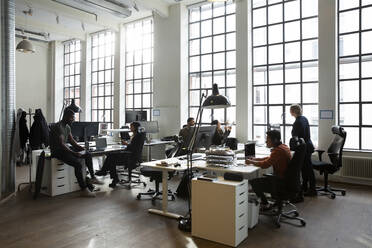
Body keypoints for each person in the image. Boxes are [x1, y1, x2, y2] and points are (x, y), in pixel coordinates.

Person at [49, 108, 103, 197]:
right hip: (57, 151)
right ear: (66, 117)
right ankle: (84, 189)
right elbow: (61, 144)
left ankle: (93, 177)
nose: (73, 120)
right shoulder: (57, 127)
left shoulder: (67, 127)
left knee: (87, 154)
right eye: (72, 118)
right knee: (77, 164)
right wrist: (74, 153)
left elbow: (72, 142)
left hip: (65, 149)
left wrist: (83, 150)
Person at [246, 130, 291, 210]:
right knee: (259, 180)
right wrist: (256, 159)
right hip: (286, 180)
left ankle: (265, 204)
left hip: (280, 182)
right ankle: (275, 202)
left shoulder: (278, 151)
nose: (266, 141)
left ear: (275, 140)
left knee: (254, 182)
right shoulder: (283, 147)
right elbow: (270, 158)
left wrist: (251, 162)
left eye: (268, 139)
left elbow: (265, 165)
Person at [95, 122, 145, 188]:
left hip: (130, 157)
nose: (130, 128)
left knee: (111, 157)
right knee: (111, 157)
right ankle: (109, 175)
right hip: (133, 156)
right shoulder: (140, 135)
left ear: (135, 127)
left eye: (131, 127)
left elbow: (132, 147)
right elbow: (134, 147)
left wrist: (125, 144)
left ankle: (107, 173)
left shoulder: (136, 136)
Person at [290, 104, 316, 197]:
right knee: (305, 168)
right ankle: (305, 187)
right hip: (308, 146)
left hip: (303, 148)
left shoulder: (297, 122)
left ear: (292, 111)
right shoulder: (304, 118)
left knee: (307, 169)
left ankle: (312, 189)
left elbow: (295, 137)